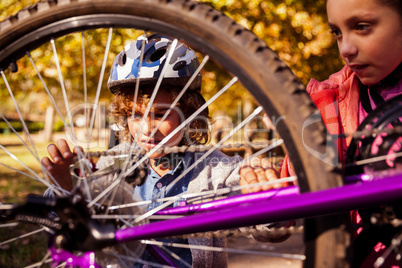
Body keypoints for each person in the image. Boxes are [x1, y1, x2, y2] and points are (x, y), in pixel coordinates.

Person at [41, 34, 290, 267]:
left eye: (161, 114)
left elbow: (272, 231)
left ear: (189, 115)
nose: (147, 128)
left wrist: (260, 190)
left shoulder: (214, 170)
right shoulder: (113, 164)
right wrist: (63, 186)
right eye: (135, 115)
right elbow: (63, 228)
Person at [240, 0, 402, 266]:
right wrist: (264, 199)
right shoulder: (326, 104)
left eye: (362, 27)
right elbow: (281, 219)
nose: (346, 49)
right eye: (337, 33)